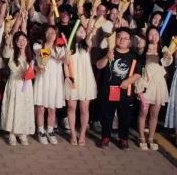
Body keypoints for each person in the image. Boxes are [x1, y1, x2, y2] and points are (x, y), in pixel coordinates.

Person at [95, 28, 141, 149]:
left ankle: (123, 139)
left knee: (124, 116)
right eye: (119, 37)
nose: (122, 40)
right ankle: (105, 137)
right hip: (108, 90)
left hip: (125, 91)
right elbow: (99, 65)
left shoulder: (133, 55)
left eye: (125, 38)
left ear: (130, 41)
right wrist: (107, 57)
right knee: (107, 115)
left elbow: (138, 74)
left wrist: (128, 81)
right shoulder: (108, 51)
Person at [136, 26, 171, 151]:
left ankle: (151, 138)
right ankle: (141, 137)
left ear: (159, 36)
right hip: (146, 83)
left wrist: (167, 55)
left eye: (156, 34)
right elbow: (140, 64)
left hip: (159, 84)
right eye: (150, 34)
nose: (153, 37)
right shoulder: (143, 48)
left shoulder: (164, 49)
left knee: (154, 113)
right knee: (143, 111)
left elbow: (167, 63)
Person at [65, 18, 98, 146]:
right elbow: (65, 63)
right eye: (79, 31)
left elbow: (88, 36)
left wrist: (90, 28)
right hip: (72, 78)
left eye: (83, 31)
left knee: (84, 108)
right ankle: (73, 134)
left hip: (85, 79)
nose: (82, 33)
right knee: (71, 107)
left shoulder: (87, 45)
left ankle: (82, 134)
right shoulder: (69, 47)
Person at [1, 29, 35, 146]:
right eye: (19, 40)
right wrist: (7, 44)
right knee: (13, 107)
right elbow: (5, 54)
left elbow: (34, 69)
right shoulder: (11, 52)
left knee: (24, 107)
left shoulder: (30, 54)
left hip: (26, 85)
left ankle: (22, 133)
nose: (22, 42)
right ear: (15, 42)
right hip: (15, 83)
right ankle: (11, 133)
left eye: (24, 39)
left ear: (27, 41)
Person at [33, 25, 66, 145]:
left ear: (56, 35)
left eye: (53, 33)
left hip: (55, 81)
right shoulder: (37, 46)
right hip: (43, 79)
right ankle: (40, 131)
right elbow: (43, 55)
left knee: (52, 108)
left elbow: (65, 60)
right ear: (45, 34)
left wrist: (66, 54)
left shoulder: (60, 49)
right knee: (41, 107)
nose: (51, 35)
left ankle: (50, 130)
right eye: (48, 32)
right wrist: (53, 54)